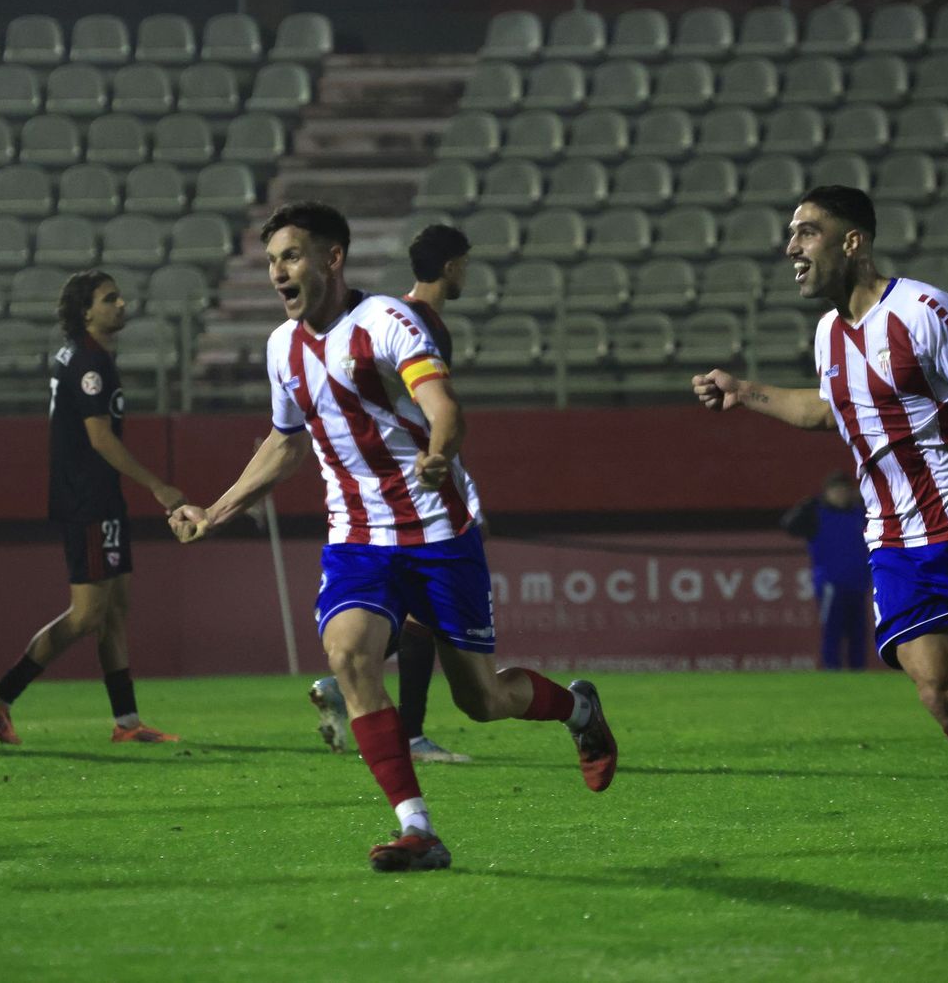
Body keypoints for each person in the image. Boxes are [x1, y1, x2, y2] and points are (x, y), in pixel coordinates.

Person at [169, 201, 617, 873]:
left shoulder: (388, 323)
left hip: (438, 534)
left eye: (290, 257)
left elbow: (445, 409)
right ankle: (418, 829)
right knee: (348, 655)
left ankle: (579, 710)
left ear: (333, 258)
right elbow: (287, 443)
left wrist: (438, 452)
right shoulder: (280, 348)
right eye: (270, 262)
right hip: (357, 539)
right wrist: (217, 509)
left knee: (482, 699)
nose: (277, 274)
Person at [692, 185, 948, 863]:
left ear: (852, 242)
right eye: (791, 234)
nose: (792, 247)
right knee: (942, 695)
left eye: (808, 233)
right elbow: (832, 412)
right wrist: (745, 392)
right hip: (894, 544)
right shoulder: (826, 334)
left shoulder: (926, 310)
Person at [0, 270, 185, 745]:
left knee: (115, 610)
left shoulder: (85, 356)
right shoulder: (90, 362)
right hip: (86, 498)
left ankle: (127, 723)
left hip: (101, 495)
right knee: (88, 614)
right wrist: (158, 486)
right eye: (110, 299)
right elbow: (99, 437)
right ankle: (0, 697)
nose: (122, 304)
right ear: (86, 311)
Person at [308, 222, 473, 764]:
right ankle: (412, 731)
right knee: (426, 618)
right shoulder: (415, 326)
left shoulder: (389, 319)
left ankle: (348, 682)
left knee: (412, 616)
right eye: (464, 265)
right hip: (414, 502)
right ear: (451, 268)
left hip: (386, 499)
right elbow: (426, 422)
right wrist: (459, 493)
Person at [781, 471, 871, 670]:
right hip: (831, 583)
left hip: (858, 582)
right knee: (833, 630)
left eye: (844, 490)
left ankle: (859, 671)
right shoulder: (818, 515)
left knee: (858, 632)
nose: (840, 494)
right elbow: (789, 526)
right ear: (827, 493)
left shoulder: (859, 514)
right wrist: (805, 506)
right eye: (836, 490)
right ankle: (832, 670)